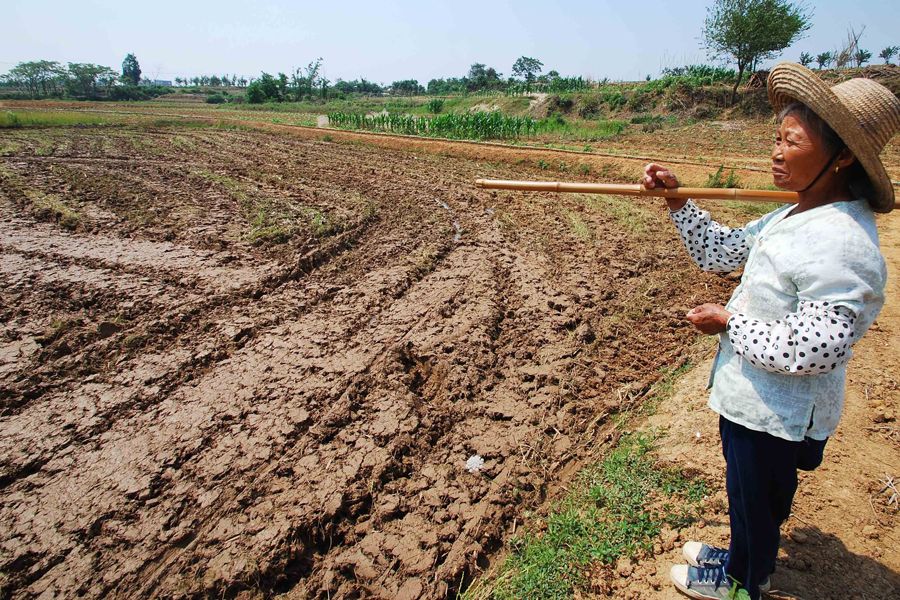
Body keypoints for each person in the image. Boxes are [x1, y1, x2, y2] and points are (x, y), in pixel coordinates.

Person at [642, 62, 899, 600]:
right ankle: (742, 554)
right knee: (747, 494)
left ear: (843, 156)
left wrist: (728, 321)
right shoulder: (791, 213)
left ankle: (742, 581)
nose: (777, 153)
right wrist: (678, 201)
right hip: (753, 400)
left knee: (758, 502)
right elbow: (720, 252)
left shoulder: (843, 243)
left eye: (792, 142)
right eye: (776, 139)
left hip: (778, 414)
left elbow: (817, 348)